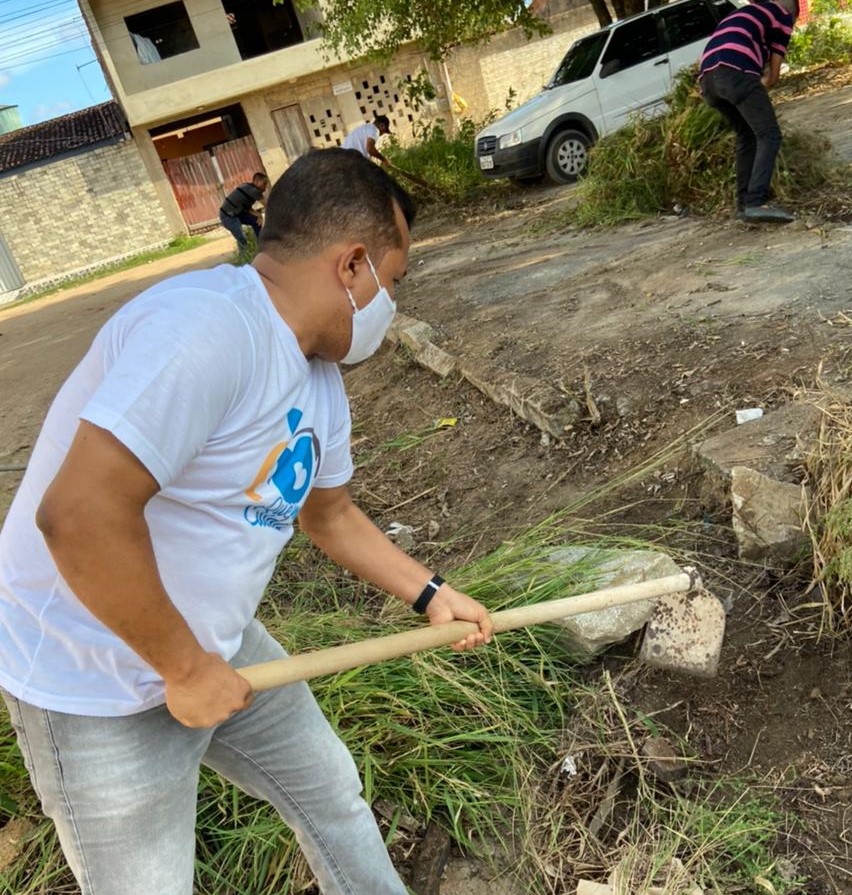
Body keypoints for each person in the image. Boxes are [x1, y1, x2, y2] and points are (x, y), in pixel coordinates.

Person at [0, 148, 493, 895]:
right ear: (352, 266)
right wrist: (186, 668)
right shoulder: (206, 330)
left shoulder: (318, 378)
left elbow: (329, 514)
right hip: (92, 673)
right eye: (393, 282)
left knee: (332, 796)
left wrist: (430, 593)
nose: (392, 305)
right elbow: (77, 513)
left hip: (213, 647)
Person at [699, 0, 799, 223]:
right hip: (735, 73)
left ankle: (743, 204)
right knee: (769, 134)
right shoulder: (783, 15)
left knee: (747, 135)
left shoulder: (742, 14)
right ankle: (755, 202)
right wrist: (759, 87)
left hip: (708, 81)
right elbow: (773, 77)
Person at [219, 171, 269, 253]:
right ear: (257, 181)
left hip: (237, 213)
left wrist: (259, 215)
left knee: (256, 221)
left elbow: (246, 208)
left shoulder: (247, 187)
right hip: (228, 217)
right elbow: (268, 205)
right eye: (264, 184)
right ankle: (244, 259)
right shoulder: (253, 191)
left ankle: (262, 248)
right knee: (242, 239)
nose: (265, 187)